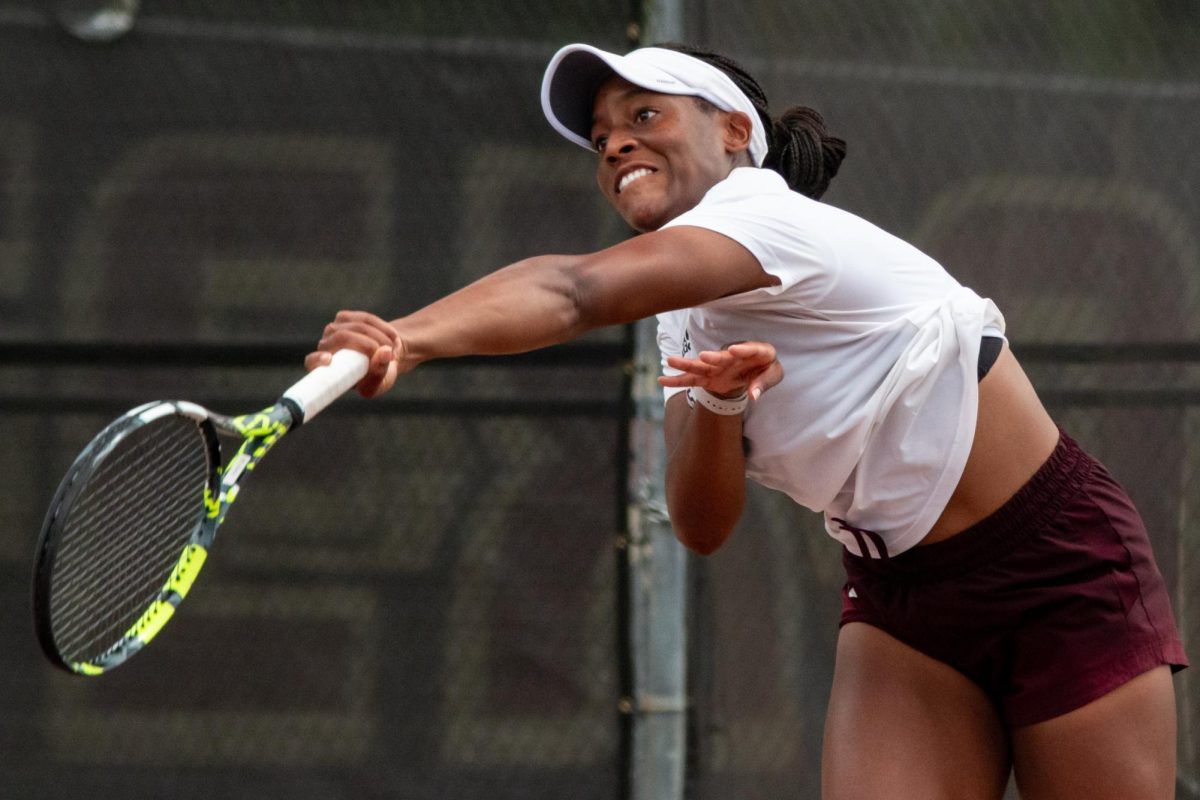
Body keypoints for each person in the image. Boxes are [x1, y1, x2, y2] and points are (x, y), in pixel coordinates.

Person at [306, 42, 1188, 799]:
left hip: (1054, 563)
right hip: (903, 600)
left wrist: (405, 338)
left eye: (642, 115)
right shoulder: (684, 318)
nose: (615, 143)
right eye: (603, 139)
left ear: (734, 131)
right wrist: (722, 403)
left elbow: (571, 292)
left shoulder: (769, 217)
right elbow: (702, 522)